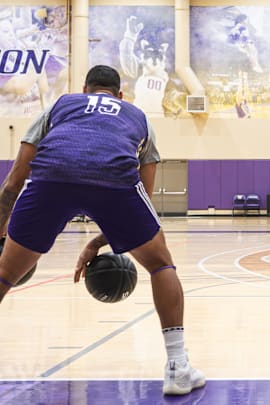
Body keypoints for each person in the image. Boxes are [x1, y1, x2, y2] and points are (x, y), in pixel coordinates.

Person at [0, 66, 204, 396]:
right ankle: (178, 367)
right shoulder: (138, 116)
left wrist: (1, 232)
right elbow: (144, 200)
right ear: (120, 95)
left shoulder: (60, 105)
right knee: (160, 263)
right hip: (115, 180)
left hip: (51, 177)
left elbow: (13, 182)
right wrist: (99, 241)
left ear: (85, 89)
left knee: (5, 274)